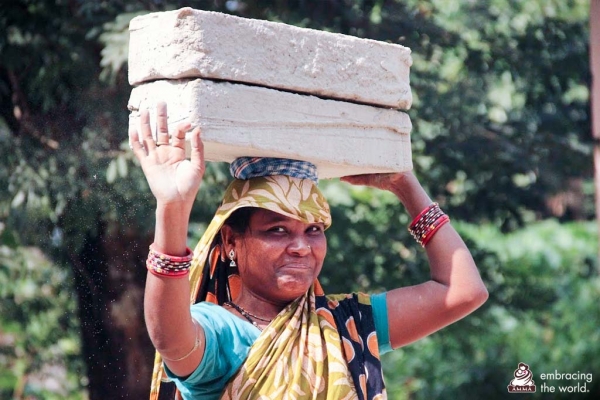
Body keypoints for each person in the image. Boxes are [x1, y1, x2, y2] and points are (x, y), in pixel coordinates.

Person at [129, 103, 489, 400]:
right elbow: (170, 339)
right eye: (277, 230)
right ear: (230, 242)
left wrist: (405, 185)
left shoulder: (346, 325)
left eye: (313, 230)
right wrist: (172, 209)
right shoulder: (222, 333)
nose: (301, 247)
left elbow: (463, 292)